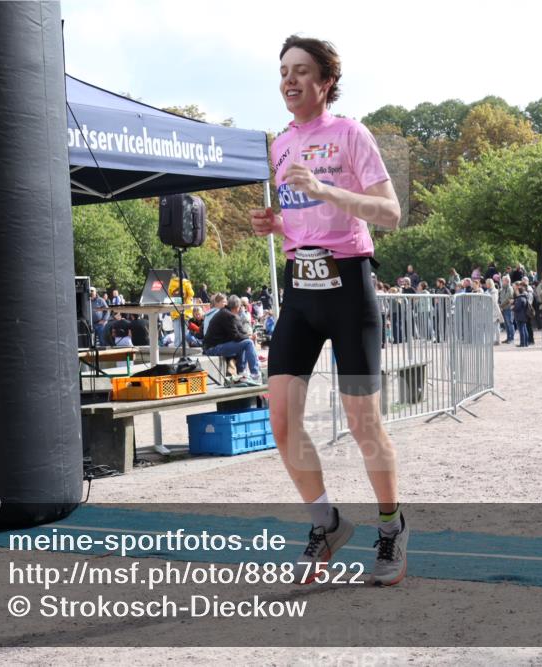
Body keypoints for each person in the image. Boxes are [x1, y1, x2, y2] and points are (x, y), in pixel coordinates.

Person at [248, 35, 407, 585]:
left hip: (349, 288)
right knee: (282, 419)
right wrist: (277, 225)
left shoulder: (349, 133)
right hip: (301, 289)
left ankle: (390, 530)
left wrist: (326, 190)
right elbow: (300, 218)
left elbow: (390, 211)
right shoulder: (280, 145)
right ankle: (327, 524)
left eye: (301, 72)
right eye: (283, 72)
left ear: (325, 82)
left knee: (364, 422)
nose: (289, 81)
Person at [202, 295, 262, 382]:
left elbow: (240, 332)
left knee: (245, 342)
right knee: (248, 343)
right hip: (212, 348)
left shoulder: (227, 313)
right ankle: (255, 374)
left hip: (214, 345)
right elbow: (236, 336)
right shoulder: (227, 315)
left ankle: (242, 372)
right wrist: (249, 337)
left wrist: (247, 336)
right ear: (237, 307)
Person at [499, 275, 515, 343]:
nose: (502, 282)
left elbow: (508, 298)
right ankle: (508, 338)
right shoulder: (502, 289)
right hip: (504, 308)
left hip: (508, 308)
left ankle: (511, 338)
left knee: (510, 323)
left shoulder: (510, 288)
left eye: (503, 281)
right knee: (506, 324)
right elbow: (501, 298)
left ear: (507, 281)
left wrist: (501, 305)